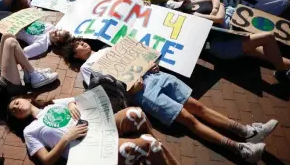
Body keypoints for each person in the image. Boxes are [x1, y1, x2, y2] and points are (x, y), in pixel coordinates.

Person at [62, 39, 279, 163]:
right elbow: (108, 93)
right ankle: (240, 149)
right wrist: (130, 92)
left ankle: (247, 131)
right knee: (188, 120)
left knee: (198, 106)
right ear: (76, 56)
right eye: (78, 46)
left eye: (81, 41)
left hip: (156, 76)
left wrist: (152, 63)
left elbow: (138, 58)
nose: (82, 43)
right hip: (142, 92)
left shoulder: (109, 48)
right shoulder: (86, 69)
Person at [166, 0, 290, 90]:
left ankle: (285, 70)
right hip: (222, 45)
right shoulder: (193, 16)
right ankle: (282, 73)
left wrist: (216, 7)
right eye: (182, 3)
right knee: (268, 38)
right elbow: (219, 18)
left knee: (269, 55)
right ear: (180, 9)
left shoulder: (193, 3)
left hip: (230, 35)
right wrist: (218, 9)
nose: (186, 0)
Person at [7, 96, 180, 165]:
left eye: (16, 102)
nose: (16, 107)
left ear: (26, 98)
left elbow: (76, 98)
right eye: (13, 111)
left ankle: (154, 156)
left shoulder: (53, 103)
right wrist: (66, 138)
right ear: (18, 119)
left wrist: (71, 103)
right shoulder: (30, 131)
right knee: (148, 144)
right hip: (88, 149)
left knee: (136, 114)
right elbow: (46, 160)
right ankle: (153, 152)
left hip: (98, 126)